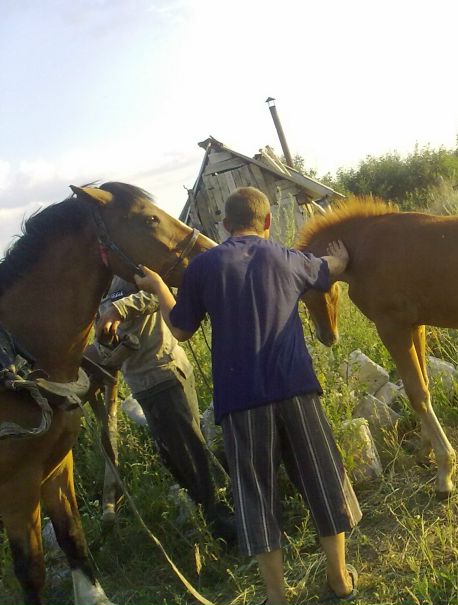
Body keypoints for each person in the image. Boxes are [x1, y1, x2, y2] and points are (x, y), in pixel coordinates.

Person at [135, 186, 361, 605]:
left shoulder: (204, 267)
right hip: (296, 389)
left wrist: (158, 287)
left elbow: (181, 329)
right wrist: (342, 258)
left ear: (223, 226)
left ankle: (276, 597)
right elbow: (330, 268)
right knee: (323, 480)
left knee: (256, 495)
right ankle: (339, 580)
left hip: (241, 401)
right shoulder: (288, 258)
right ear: (268, 221)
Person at [92, 276, 236, 544]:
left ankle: (226, 524)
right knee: (178, 459)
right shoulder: (94, 288)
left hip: (164, 372)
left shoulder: (129, 270)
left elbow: (163, 293)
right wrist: (105, 340)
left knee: (192, 454)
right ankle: (217, 519)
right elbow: (104, 345)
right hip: (143, 385)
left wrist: (119, 308)